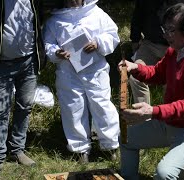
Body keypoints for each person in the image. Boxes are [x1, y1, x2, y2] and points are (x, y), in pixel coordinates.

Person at [118, 3, 184, 179]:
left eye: (171, 30)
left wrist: (153, 111)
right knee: (125, 139)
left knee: (164, 173)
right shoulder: (175, 51)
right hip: (171, 123)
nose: (165, 35)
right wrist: (135, 68)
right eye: (165, 29)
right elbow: (158, 74)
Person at [0, 0, 46, 179]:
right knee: (0, 111)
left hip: (28, 62)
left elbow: (39, 19)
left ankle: (18, 150)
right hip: (1, 64)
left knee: (25, 106)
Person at [43, 0, 120, 163]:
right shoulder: (54, 21)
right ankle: (80, 150)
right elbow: (48, 44)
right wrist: (57, 52)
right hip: (67, 72)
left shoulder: (97, 13)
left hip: (95, 70)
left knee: (102, 105)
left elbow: (112, 35)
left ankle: (110, 146)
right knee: (73, 108)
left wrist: (98, 42)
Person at [129, 0, 184, 104]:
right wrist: (135, 39)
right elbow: (138, 15)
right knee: (135, 78)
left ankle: (168, 115)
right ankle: (144, 116)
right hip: (150, 44)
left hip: (176, 45)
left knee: (171, 82)